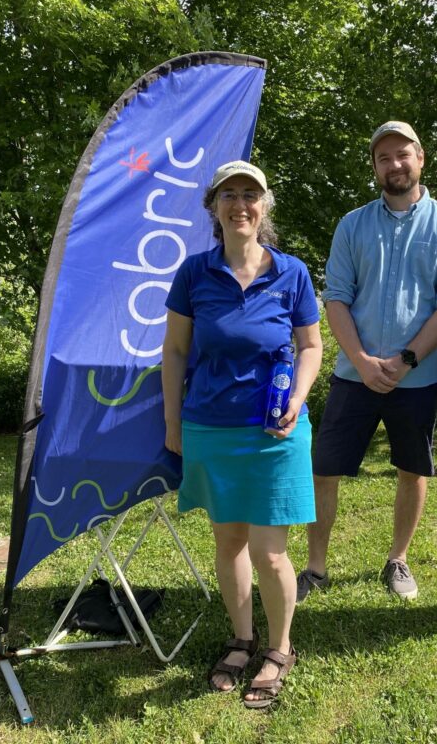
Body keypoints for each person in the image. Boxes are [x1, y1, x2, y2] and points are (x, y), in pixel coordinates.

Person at [162, 160, 323, 708]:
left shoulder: (292, 273)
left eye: (250, 195)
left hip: (274, 434)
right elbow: (176, 352)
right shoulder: (193, 274)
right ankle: (241, 638)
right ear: (214, 209)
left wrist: (297, 399)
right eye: (228, 195)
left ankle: (280, 649)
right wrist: (172, 421)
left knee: (269, 550)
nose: (240, 205)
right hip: (209, 425)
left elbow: (311, 347)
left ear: (265, 206)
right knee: (228, 540)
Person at [298, 121, 437, 602]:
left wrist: (407, 360)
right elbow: (336, 299)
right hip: (354, 375)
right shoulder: (353, 225)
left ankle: (398, 559)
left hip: (416, 379)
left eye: (402, 154)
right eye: (383, 157)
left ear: (420, 159)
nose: (394, 164)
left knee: (412, 471)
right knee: (323, 470)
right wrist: (362, 360)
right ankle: (315, 567)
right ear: (374, 167)